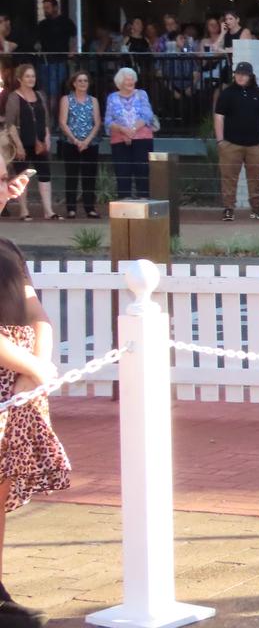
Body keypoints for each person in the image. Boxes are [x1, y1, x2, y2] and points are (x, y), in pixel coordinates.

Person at [0, 161, 72, 628]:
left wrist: (38, 364)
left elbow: (32, 305)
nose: (9, 185)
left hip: (19, 380)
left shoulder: (7, 248)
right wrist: (30, 367)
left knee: (1, 482)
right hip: (13, 371)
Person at [214, 62, 259, 222]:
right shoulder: (227, 93)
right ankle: (228, 209)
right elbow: (219, 117)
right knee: (228, 178)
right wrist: (220, 141)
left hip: (256, 145)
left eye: (244, 74)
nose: (240, 76)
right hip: (231, 144)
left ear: (250, 76)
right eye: (238, 73)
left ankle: (256, 208)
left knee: (255, 178)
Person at [4, 64, 58, 220]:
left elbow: (46, 119)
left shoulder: (40, 95)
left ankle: (48, 211)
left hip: (40, 143)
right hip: (22, 142)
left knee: (45, 175)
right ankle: (24, 210)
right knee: (22, 176)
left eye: (33, 76)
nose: (31, 79)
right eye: (27, 76)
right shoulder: (14, 97)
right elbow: (11, 124)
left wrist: (47, 137)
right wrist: (19, 145)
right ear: (20, 78)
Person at [103, 67, 157, 199]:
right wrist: (123, 131)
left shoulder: (142, 94)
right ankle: (124, 202)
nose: (130, 81)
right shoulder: (112, 97)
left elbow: (147, 115)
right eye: (127, 79)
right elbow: (108, 120)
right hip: (119, 139)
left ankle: (143, 201)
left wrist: (132, 131)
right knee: (122, 171)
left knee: (142, 170)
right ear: (120, 82)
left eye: (132, 78)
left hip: (142, 138)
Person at [57, 71, 102, 219]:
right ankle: (71, 208)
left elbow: (97, 123)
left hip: (90, 143)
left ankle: (90, 208)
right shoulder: (66, 99)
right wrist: (75, 140)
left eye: (85, 81)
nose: (83, 83)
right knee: (71, 176)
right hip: (71, 143)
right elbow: (63, 122)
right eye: (80, 81)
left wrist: (86, 141)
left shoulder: (93, 101)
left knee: (90, 176)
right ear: (74, 83)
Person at [36, 0, 76, 108]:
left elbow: (74, 38)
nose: (45, 10)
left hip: (59, 60)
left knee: (54, 90)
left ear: (55, 8)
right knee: (44, 90)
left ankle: (54, 118)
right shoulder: (42, 24)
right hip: (44, 61)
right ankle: (47, 118)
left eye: (47, 8)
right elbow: (38, 42)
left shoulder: (66, 22)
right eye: (44, 8)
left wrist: (72, 51)